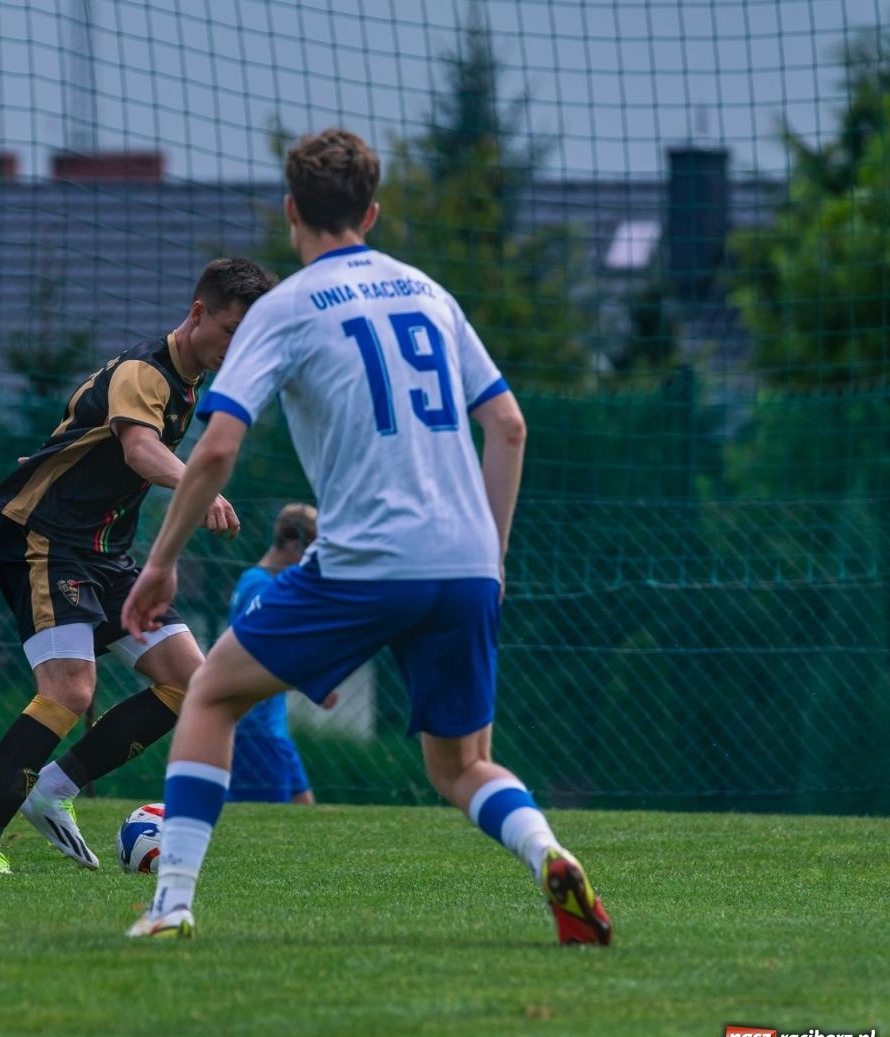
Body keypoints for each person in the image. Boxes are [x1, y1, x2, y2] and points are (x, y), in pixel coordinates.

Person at [120, 129, 611, 946]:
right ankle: (550, 855)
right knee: (460, 766)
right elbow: (509, 426)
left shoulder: (283, 306)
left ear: (290, 211)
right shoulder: (429, 293)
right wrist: (490, 559)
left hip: (366, 559)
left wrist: (162, 561)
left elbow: (213, 447)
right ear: (373, 212)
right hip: (462, 560)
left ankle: (171, 900)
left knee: (213, 694)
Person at [0, 257, 276, 874]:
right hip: (45, 541)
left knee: (190, 681)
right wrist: (201, 487)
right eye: (231, 330)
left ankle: (55, 791)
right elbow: (140, 450)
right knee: (69, 689)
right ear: (198, 313)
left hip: (104, 554)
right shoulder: (145, 372)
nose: (238, 346)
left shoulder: (186, 382)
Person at [228, 504, 317, 805]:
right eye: (312, 552)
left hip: (273, 726)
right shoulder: (261, 589)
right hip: (257, 727)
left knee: (304, 806)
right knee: (273, 819)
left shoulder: (253, 579)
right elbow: (256, 656)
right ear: (294, 546)